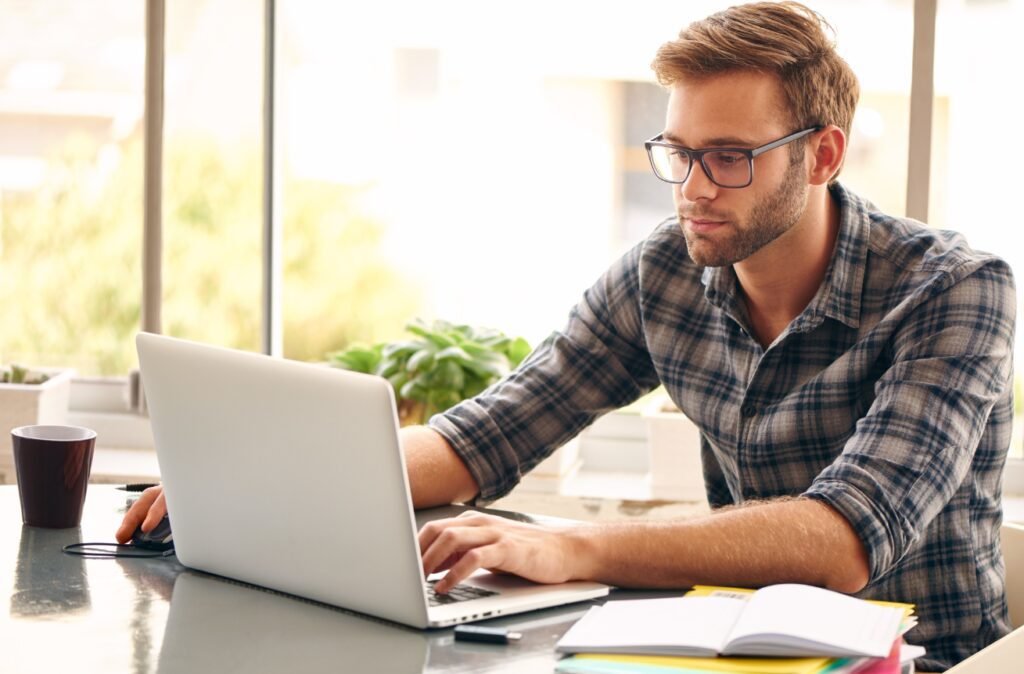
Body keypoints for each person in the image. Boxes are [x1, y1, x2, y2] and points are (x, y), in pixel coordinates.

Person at [118, 2, 1015, 669]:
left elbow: (842, 542)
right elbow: (486, 435)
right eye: (677, 152)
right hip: (738, 652)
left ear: (821, 155)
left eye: (730, 157)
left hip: (925, 660)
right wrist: (251, 485)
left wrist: (569, 544)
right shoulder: (665, 271)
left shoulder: (955, 292)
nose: (693, 188)